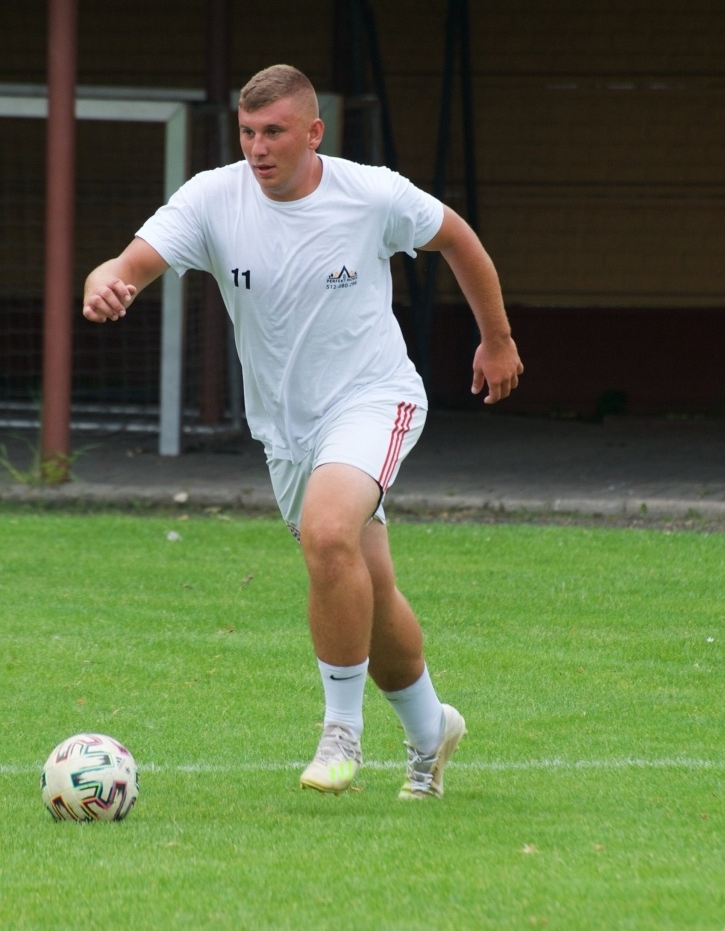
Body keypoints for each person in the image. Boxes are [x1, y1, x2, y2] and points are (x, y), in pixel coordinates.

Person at [82, 64, 522, 800]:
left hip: (374, 398)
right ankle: (429, 730)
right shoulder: (212, 199)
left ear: (313, 133)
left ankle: (340, 732)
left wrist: (498, 339)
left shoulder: (371, 193)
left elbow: (460, 240)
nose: (258, 147)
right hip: (287, 431)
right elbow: (126, 263)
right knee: (364, 588)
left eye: (274, 132)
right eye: (249, 132)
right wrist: (106, 281)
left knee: (326, 534)